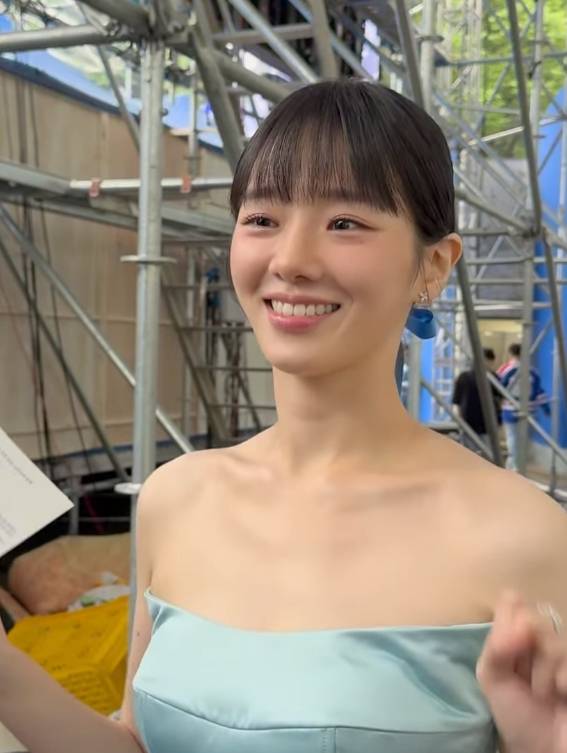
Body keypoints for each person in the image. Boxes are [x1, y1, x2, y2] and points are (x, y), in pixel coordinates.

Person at [2, 80, 567, 753]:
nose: (291, 260)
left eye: (345, 223)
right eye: (263, 219)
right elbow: (136, 742)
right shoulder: (176, 497)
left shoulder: (523, 536)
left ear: (434, 265)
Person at [498, 342, 550, 471]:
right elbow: (539, 392)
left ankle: (513, 466)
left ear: (510, 353)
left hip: (509, 410)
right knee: (522, 439)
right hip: (528, 410)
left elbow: (498, 388)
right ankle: (517, 465)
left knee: (511, 437)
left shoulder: (505, 369)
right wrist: (546, 408)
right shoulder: (532, 371)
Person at [452, 347, 501, 452]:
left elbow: (457, 401)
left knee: (469, 452)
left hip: (469, 420)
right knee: (487, 453)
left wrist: (460, 420)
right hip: (486, 423)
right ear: (488, 360)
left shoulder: (463, 376)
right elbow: (499, 400)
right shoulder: (493, 378)